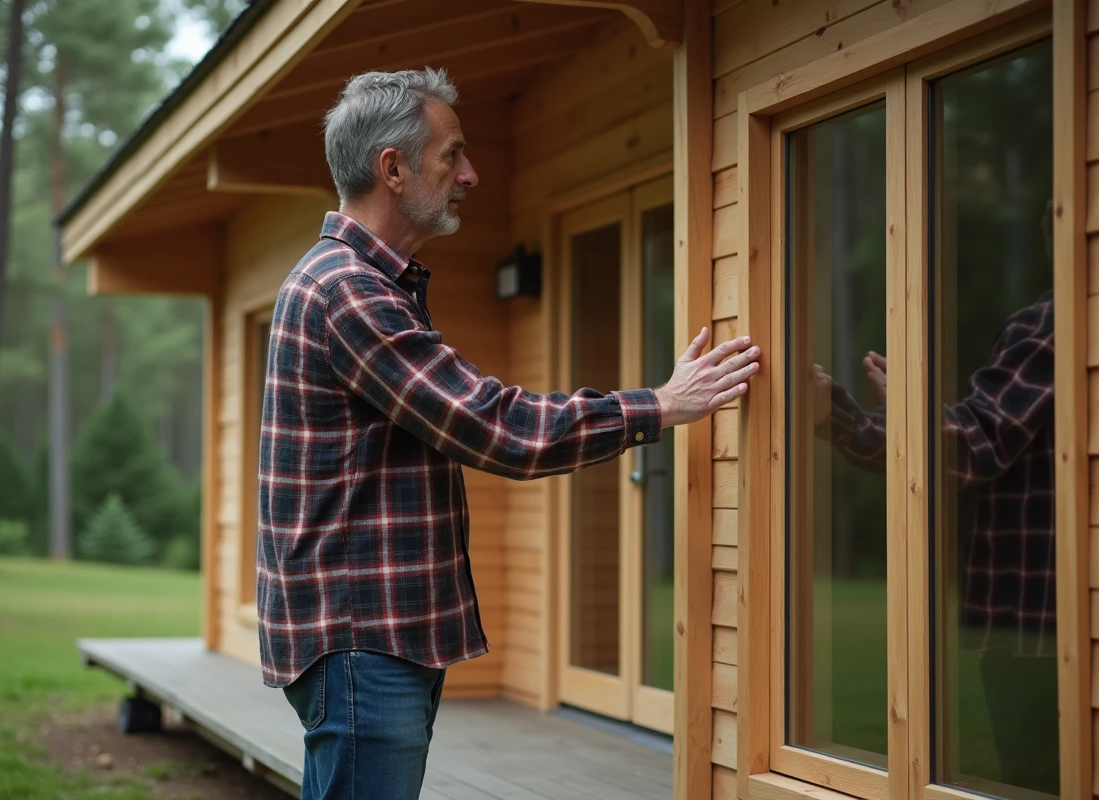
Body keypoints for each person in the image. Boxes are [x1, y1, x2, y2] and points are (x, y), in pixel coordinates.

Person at [255, 67, 761, 800]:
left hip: (368, 636)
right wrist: (659, 405)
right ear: (391, 169)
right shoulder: (349, 291)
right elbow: (493, 424)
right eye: (451, 154)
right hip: (363, 638)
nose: (471, 173)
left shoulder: (356, 282)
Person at [811, 202, 1057, 795]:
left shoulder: (1051, 323)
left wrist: (848, 415)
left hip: (1031, 620)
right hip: (1046, 616)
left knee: (1033, 777)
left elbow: (973, 444)